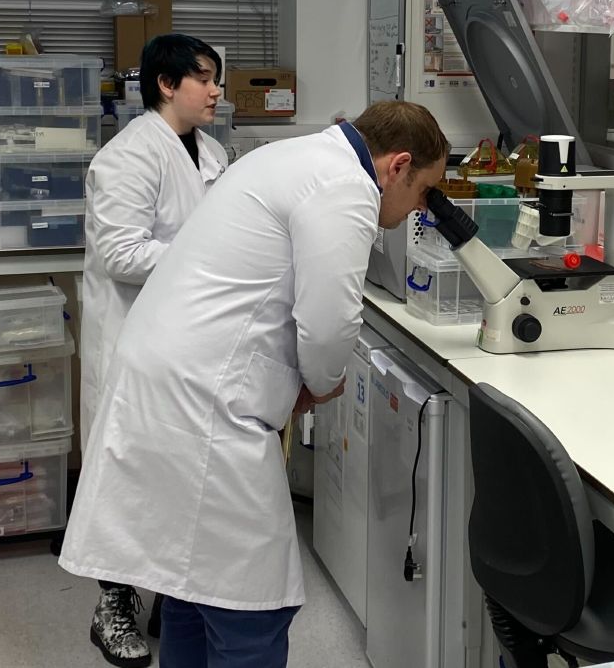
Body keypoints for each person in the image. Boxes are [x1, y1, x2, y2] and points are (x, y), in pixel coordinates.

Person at [59, 100, 449, 668]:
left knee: (190, 590)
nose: (420, 207)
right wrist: (322, 383)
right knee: (250, 610)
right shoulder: (345, 186)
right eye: (424, 191)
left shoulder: (292, 158)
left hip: (166, 380)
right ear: (398, 166)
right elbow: (328, 324)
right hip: (203, 403)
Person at [79, 33, 228, 668]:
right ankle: (111, 602)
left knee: (176, 469)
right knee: (127, 472)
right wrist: (207, 262)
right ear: (166, 84)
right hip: (133, 338)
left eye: (217, 79)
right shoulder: (127, 157)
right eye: (204, 78)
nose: (217, 89)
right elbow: (121, 254)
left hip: (186, 340)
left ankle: (172, 589)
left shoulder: (213, 151)